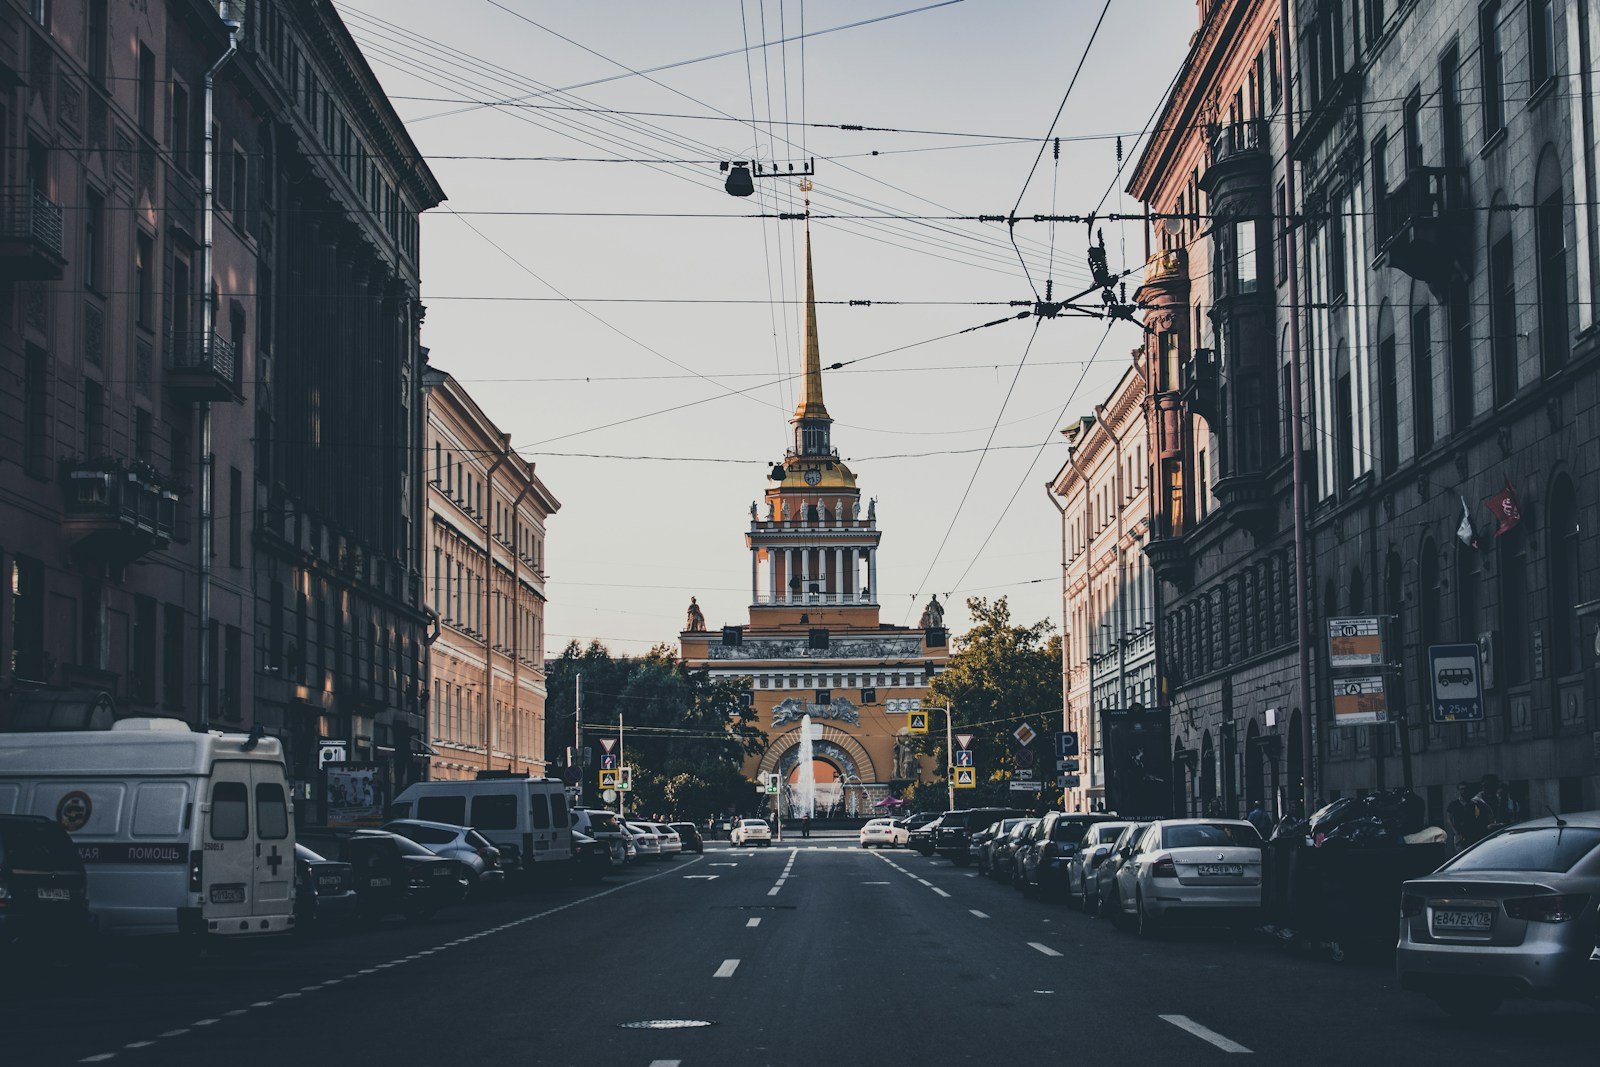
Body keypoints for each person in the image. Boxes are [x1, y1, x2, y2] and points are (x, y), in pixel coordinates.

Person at [1447, 782, 1485, 848]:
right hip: (1460, 835)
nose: (1463, 791)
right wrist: (1456, 833)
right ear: (1458, 790)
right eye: (1461, 789)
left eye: (1465, 789)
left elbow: (1478, 817)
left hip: (1472, 834)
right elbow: (1449, 819)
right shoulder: (1453, 804)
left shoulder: (1473, 803)